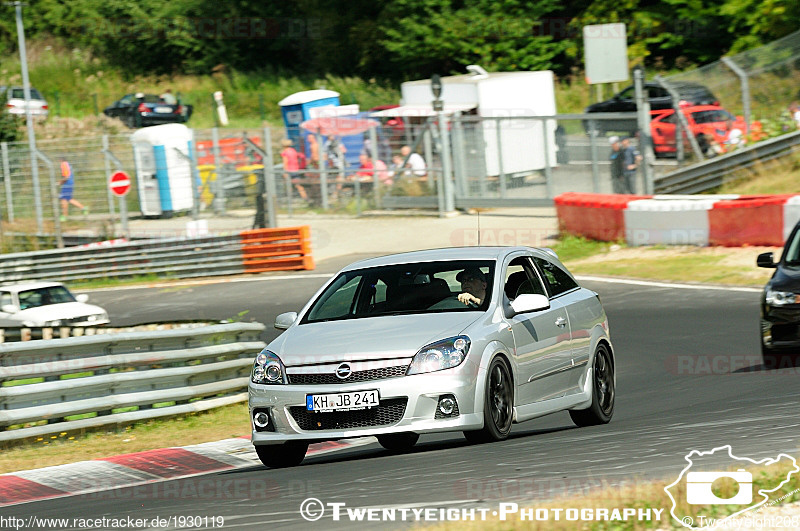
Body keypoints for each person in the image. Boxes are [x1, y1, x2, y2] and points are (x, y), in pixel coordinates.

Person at [58, 157, 88, 221]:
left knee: (64, 200)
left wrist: (61, 182)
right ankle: (83, 208)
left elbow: (66, 177)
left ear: (60, 160)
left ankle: (64, 216)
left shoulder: (63, 164)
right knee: (69, 199)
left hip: (67, 184)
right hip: (70, 183)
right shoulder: (68, 164)